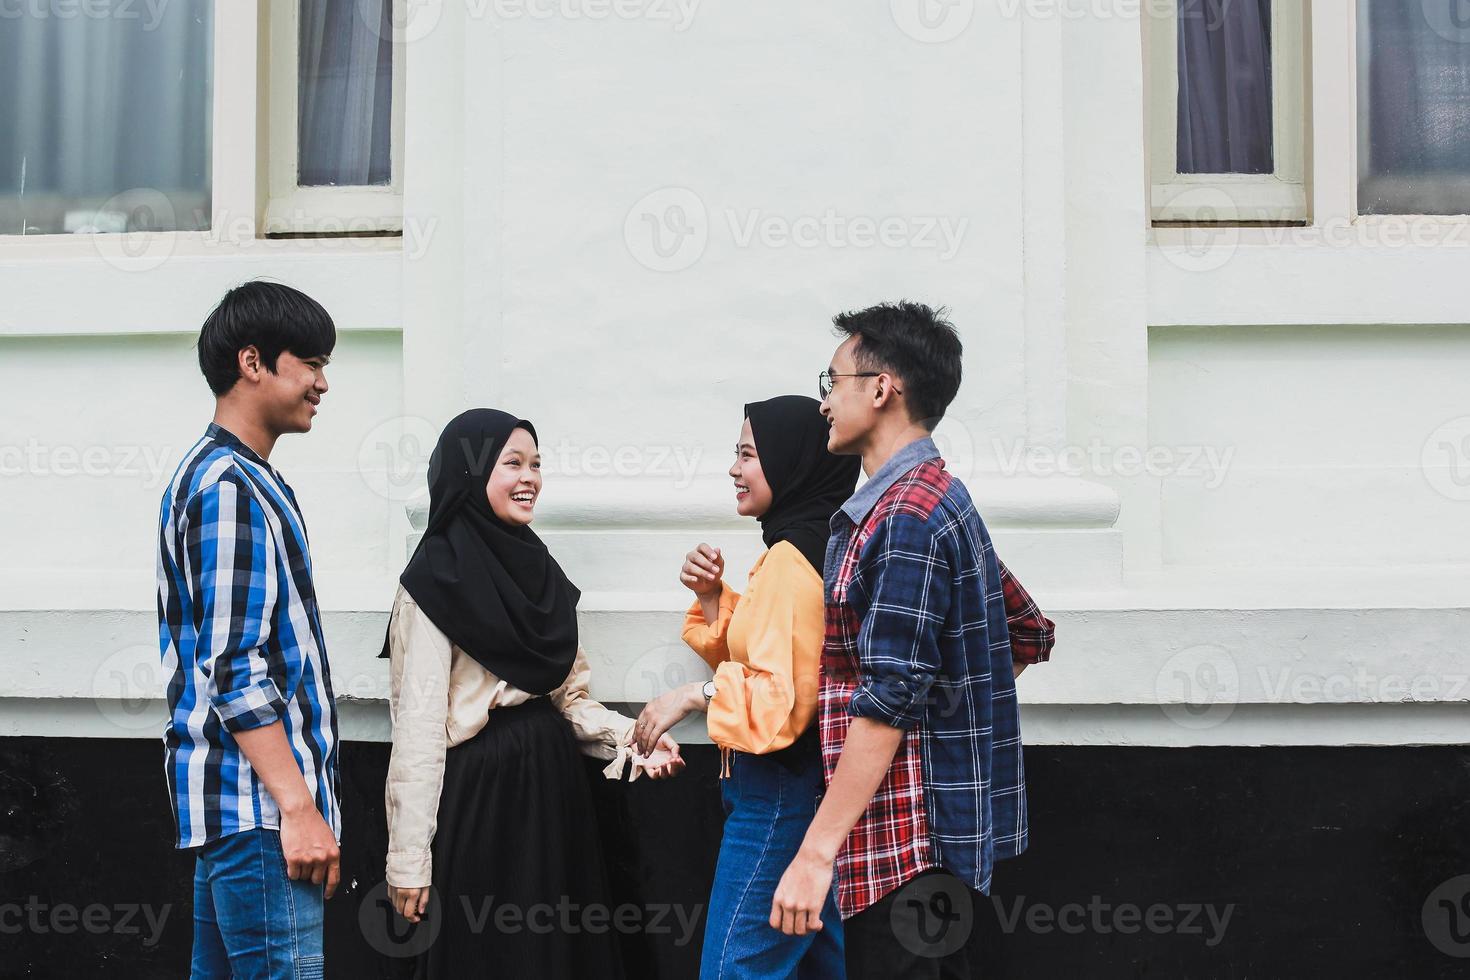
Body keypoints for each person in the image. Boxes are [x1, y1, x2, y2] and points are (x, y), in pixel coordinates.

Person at [770, 301, 1056, 978]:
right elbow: (1022, 629)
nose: (823, 403)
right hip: (923, 843)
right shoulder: (935, 498)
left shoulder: (906, 517)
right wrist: (949, 718)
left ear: (880, 388)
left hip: (904, 846)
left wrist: (814, 854)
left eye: (831, 381)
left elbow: (889, 697)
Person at [382, 409, 684, 978]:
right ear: (468, 475)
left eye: (537, 464)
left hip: (553, 793)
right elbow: (418, 730)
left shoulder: (540, 571)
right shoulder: (431, 583)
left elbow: (569, 702)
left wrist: (635, 740)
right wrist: (407, 862)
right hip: (481, 796)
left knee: (553, 956)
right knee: (489, 953)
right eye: (512, 463)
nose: (530, 478)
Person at [633, 395, 860, 978]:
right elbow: (777, 655)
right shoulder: (812, 542)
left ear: (791, 463)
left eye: (748, 455)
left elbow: (783, 700)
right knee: (812, 964)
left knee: (733, 967)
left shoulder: (791, 558)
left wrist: (693, 695)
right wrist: (714, 599)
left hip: (777, 795)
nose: (735, 469)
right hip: (804, 788)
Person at [156, 280, 342, 979]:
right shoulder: (228, 489)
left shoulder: (229, 478)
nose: (322, 383)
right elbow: (234, 666)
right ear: (253, 362)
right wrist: (299, 809)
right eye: (311, 363)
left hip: (242, 815)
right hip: (260, 816)